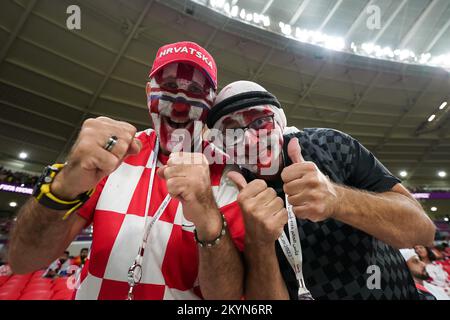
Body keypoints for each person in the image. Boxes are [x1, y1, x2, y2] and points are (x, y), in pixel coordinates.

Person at [8, 42, 244, 300]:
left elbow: (227, 300)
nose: (179, 107)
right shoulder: (113, 155)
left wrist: (209, 217)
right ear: (148, 92)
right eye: (169, 86)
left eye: (196, 90)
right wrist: (63, 186)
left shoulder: (229, 175)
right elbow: (23, 260)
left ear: (212, 103)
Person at [206, 80, 436, 300]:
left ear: (280, 121)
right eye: (232, 133)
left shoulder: (331, 144)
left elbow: (422, 231)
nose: (249, 140)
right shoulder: (229, 192)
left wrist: (338, 200)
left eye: (259, 122)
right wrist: (260, 243)